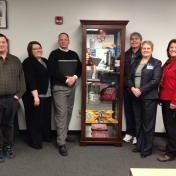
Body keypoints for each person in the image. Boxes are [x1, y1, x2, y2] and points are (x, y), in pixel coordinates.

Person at [48, 33, 82, 156]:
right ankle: (61, 143)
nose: (63, 41)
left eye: (65, 39)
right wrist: (66, 80)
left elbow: (80, 68)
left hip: (71, 88)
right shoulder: (54, 54)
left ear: (69, 41)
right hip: (59, 88)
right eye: (61, 40)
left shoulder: (74, 54)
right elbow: (52, 71)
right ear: (58, 41)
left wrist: (74, 77)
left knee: (68, 112)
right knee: (61, 115)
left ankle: (65, 135)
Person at [128, 40, 162, 158]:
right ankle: (139, 146)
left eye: (148, 48)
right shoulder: (136, 62)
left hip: (149, 97)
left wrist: (141, 90)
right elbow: (129, 78)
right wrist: (132, 88)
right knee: (138, 122)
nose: (145, 50)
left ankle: (146, 149)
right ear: (141, 50)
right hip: (135, 96)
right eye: (144, 48)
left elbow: (155, 80)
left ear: (152, 50)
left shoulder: (156, 63)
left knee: (148, 124)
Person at [0, 33, 26, 163]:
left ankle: (8, 146)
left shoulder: (15, 60)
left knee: (8, 124)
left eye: (3, 42)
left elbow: (22, 80)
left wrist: (18, 95)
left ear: (7, 44)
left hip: (11, 99)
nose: (1, 44)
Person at [22, 41, 52, 149]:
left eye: (40, 48)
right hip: (34, 96)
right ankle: (35, 142)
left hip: (46, 94)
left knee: (44, 118)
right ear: (30, 51)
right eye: (35, 48)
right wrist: (35, 96)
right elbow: (30, 80)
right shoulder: (28, 62)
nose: (38, 50)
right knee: (34, 119)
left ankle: (45, 137)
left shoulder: (44, 61)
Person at [158, 39, 176, 162]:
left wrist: (174, 101)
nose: (173, 49)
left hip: (172, 100)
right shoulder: (168, 63)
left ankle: (171, 152)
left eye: (175, 47)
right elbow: (163, 82)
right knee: (168, 125)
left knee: (172, 127)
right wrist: (159, 96)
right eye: (171, 47)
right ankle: (170, 146)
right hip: (164, 98)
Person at [123, 32, 142, 145]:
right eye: (132, 39)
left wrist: (137, 88)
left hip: (139, 89)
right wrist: (128, 86)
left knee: (138, 113)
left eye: (136, 39)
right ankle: (130, 132)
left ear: (140, 40)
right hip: (127, 88)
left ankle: (137, 134)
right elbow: (124, 73)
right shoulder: (125, 54)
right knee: (128, 111)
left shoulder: (143, 54)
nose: (134, 41)